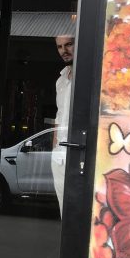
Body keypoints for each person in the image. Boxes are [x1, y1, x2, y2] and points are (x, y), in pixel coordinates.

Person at [51, 33, 74, 217]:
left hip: (79, 154)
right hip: (59, 157)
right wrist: (54, 148)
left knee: (80, 211)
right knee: (64, 211)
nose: (63, 51)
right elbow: (59, 116)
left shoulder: (90, 77)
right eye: (59, 46)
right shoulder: (61, 80)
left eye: (69, 44)